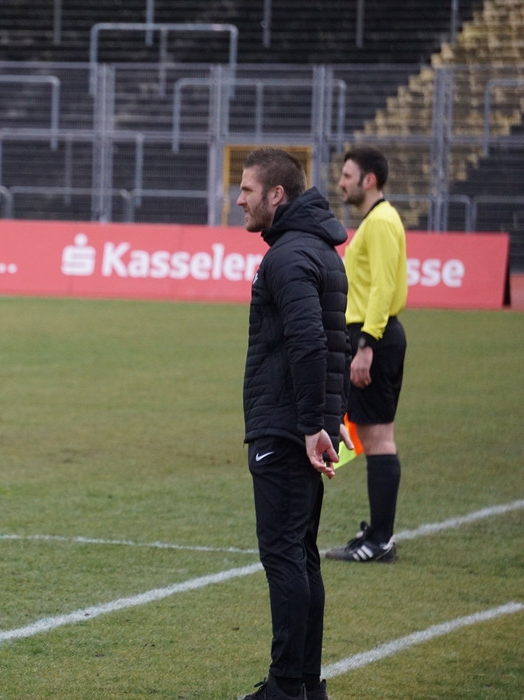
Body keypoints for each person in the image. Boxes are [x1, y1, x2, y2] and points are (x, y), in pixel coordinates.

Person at [237, 148, 351, 700]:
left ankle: (286, 687)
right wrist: (328, 418)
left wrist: (311, 425)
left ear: (276, 194)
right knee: (302, 555)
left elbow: (311, 343)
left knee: (285, 556)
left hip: (286, 429)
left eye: (247, 189)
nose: (239, 200)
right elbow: (334, 342)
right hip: (304, 424)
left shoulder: (287, 257)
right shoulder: (320, 250)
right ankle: (305, 683)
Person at [325, 146, 407, 564]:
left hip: (373, 337)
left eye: (347, 175)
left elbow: (382, 288)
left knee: (377, 439)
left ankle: (380, 541)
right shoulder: (375, 221)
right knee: (375, 437)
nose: (341, 182)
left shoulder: (381, 222)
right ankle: (377, 534)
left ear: (368, 179)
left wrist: (366, 345)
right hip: (370, 335)